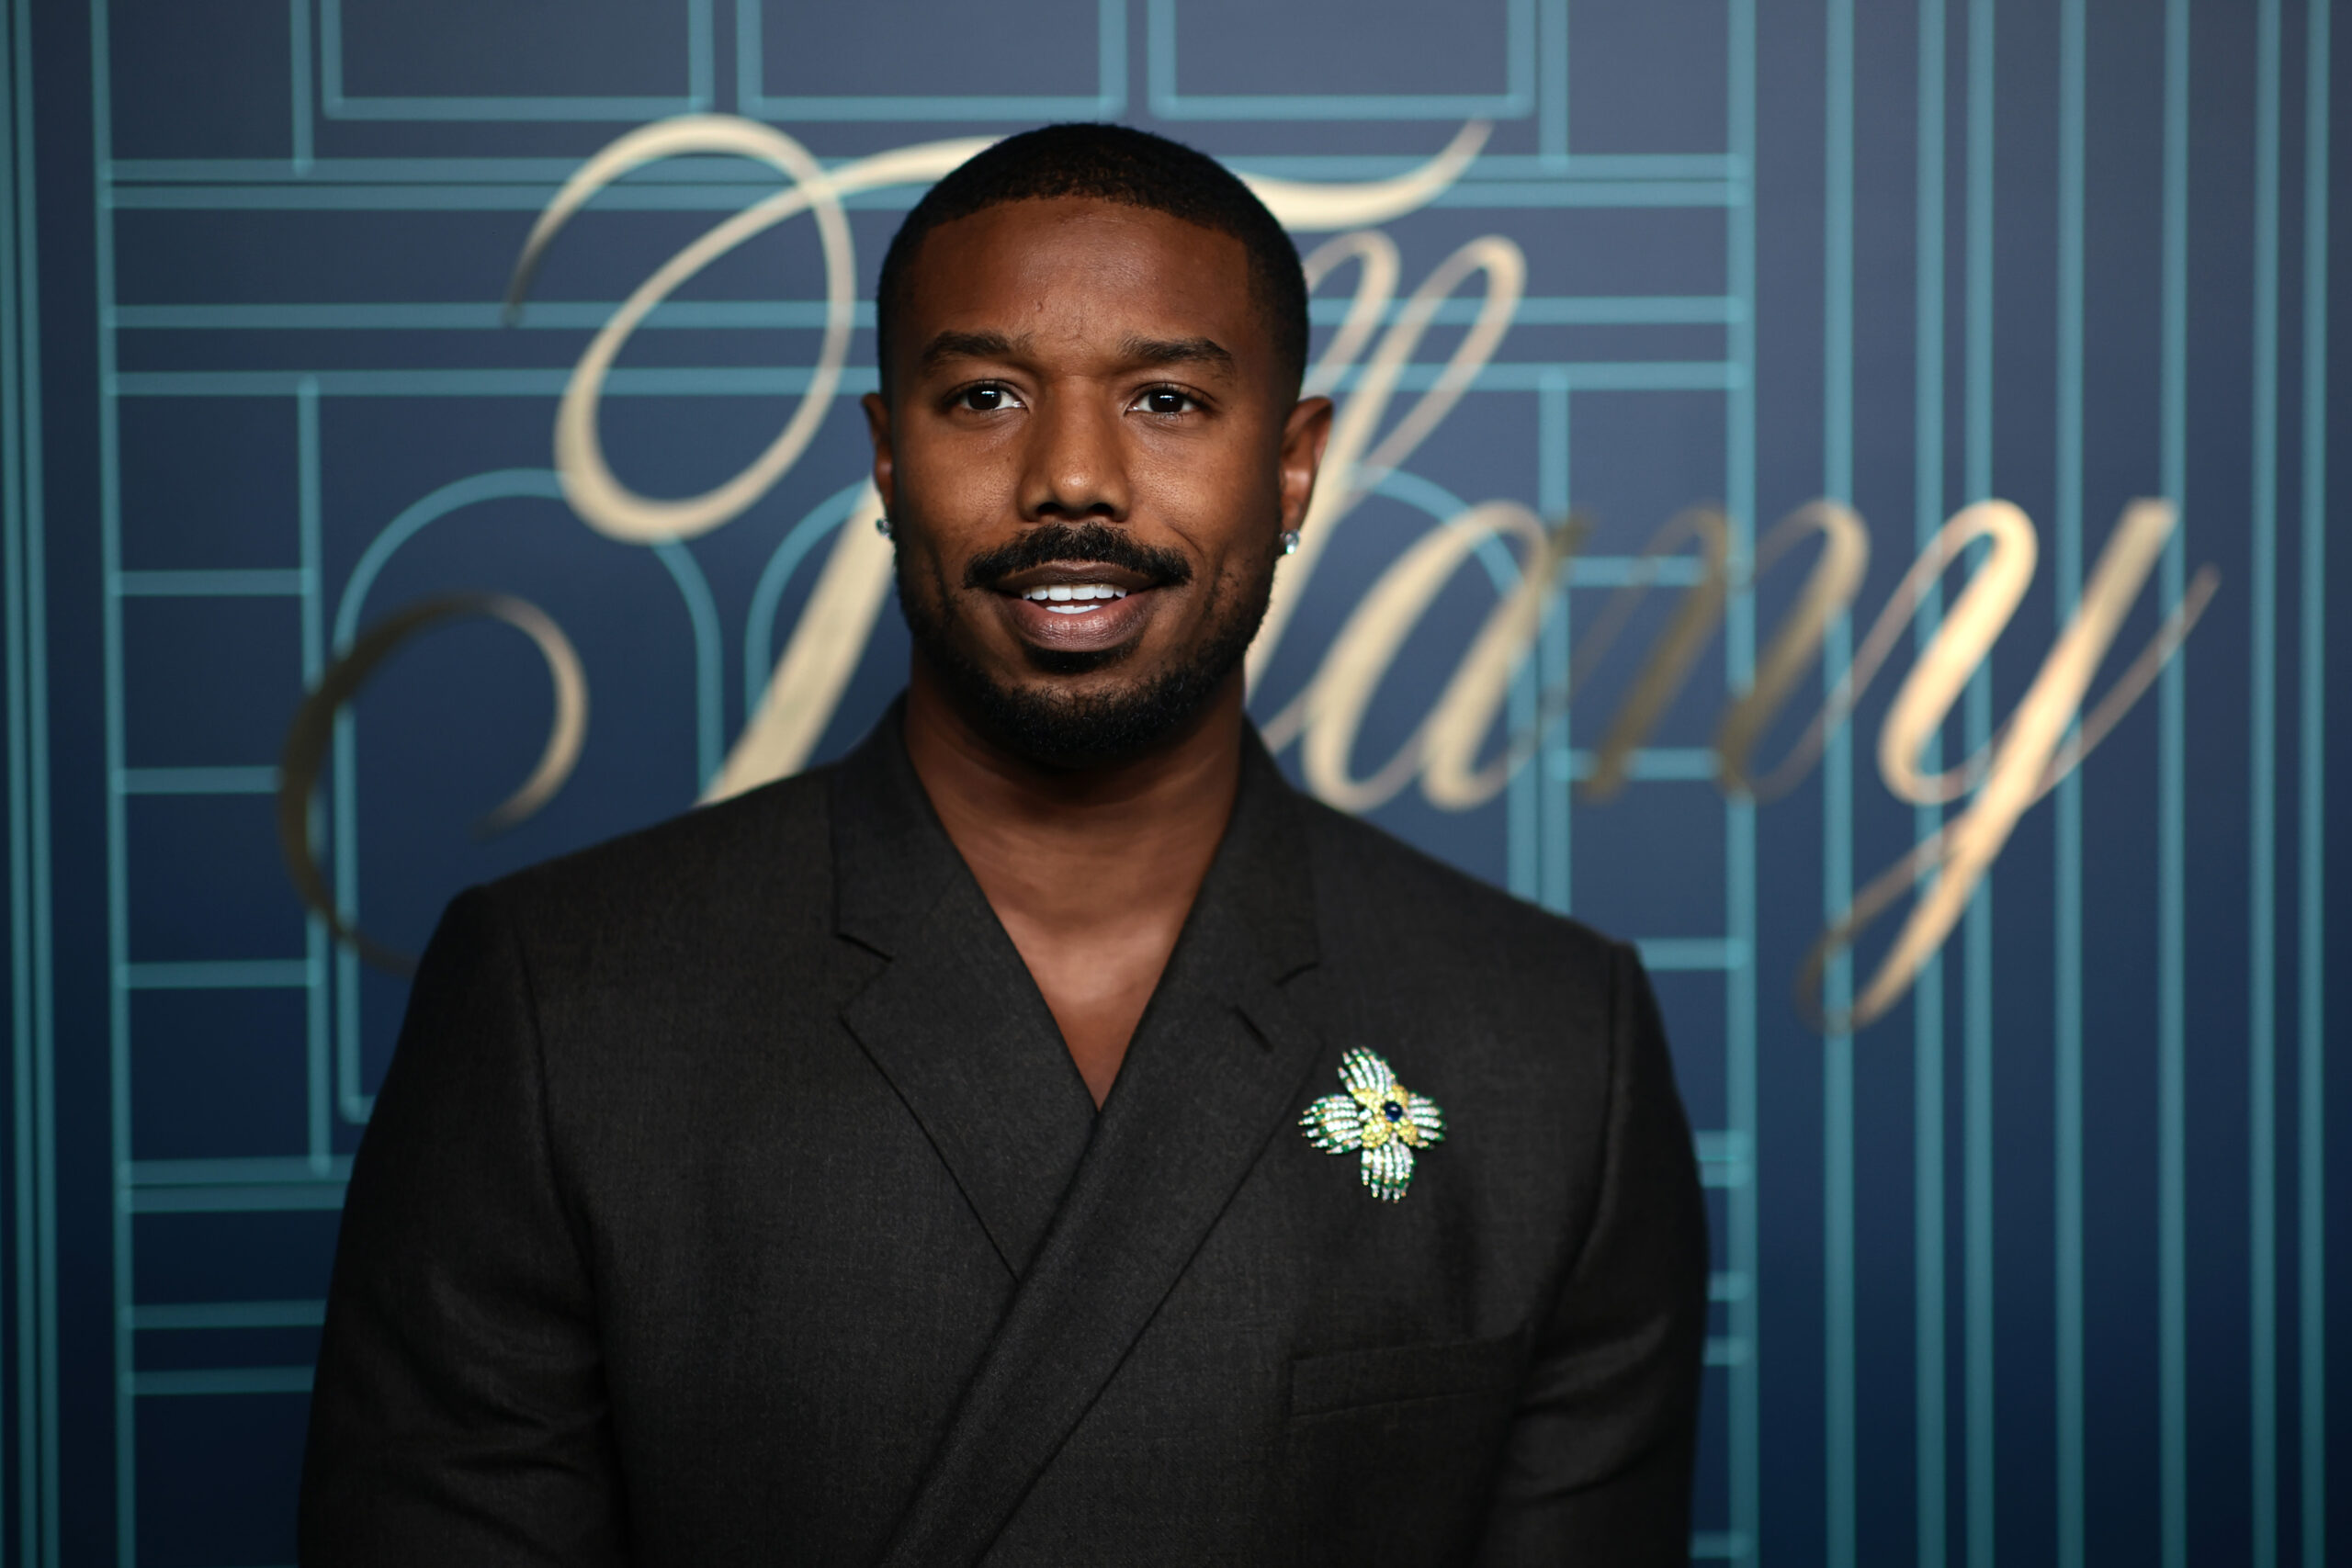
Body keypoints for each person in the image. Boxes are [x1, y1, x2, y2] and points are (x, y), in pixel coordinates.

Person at [299, 122, 1708, 1566]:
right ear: (887, 458)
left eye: (1166, 399)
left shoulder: (1553, 1048)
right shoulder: (559, 1004)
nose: (1073, 479)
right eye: (984, 397)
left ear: (1292, 469)